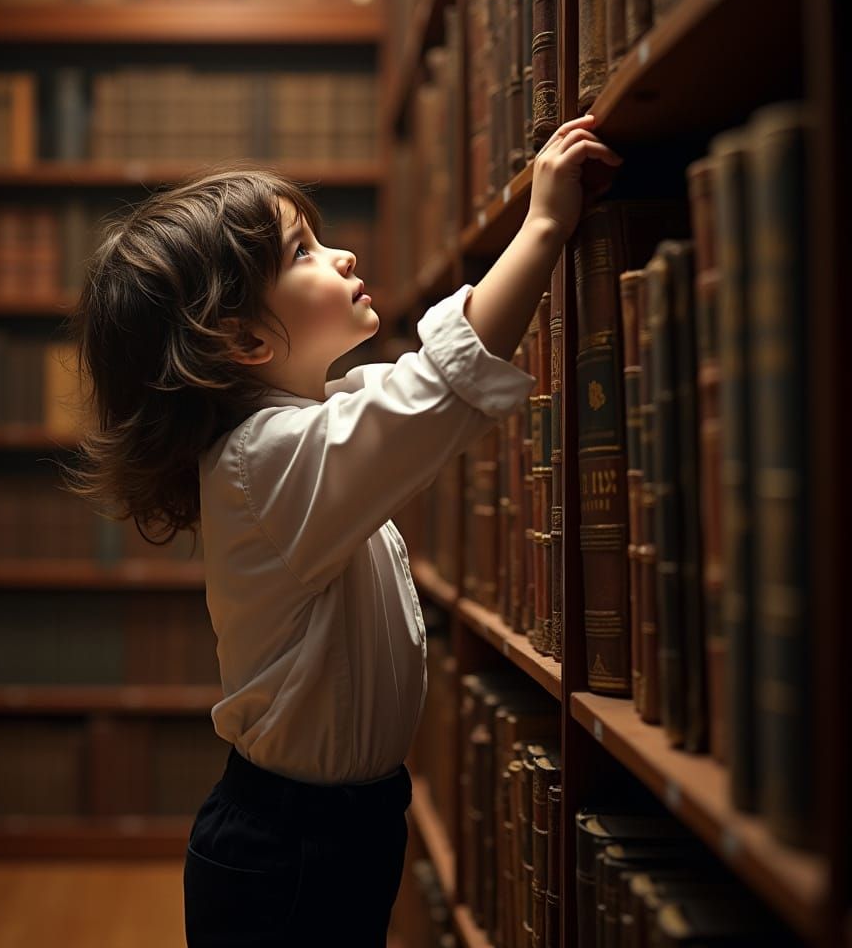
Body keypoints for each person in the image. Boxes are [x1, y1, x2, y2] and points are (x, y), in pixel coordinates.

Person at [62, 112, 622, 946]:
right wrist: (542, 226)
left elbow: (403, 392)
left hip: (332, 828)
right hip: (288, 847)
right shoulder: (267, 458)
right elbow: (433, 392)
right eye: (304, 253)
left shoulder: (297, 435)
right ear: (244, 336)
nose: (342, 256)